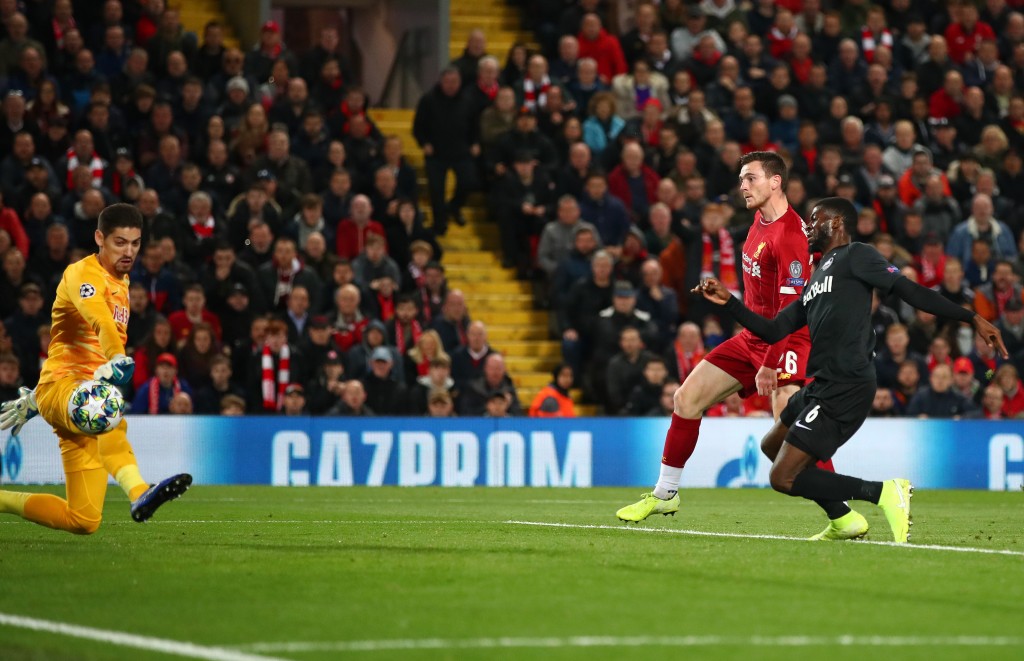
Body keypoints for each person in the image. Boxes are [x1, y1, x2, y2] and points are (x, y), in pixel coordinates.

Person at [695, 197, 1007, 542]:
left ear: (838, 224)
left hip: (848, 383)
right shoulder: (814, 280)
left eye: (816, 220)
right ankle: (843, 519)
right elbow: (772, 330)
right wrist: (730, 302)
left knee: (781, 478)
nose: (809, 227)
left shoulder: (857, 255)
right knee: (771, 446)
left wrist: (971, 316)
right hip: (821, 385)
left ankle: (884, 491)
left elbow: (910, 291)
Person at [616, 152, 847, 538]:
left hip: (787, 340)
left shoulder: (791, 234)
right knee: (685, 400)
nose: (743, 186)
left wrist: (771, 363)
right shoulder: (757, 222)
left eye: (751, 178)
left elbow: (791, 309)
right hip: (751, 338)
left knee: (788, 436)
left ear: (775, 182)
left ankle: (843, 514)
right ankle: (665, 493)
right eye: (741, 179)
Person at [0, 203, 191, 534]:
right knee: (106, 408)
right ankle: (139, 491)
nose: (128, 251)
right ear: (99, 238)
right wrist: (117, 358)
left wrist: (32, 401)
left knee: (84, 520)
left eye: (135, 243)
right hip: (65, 388)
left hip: (77, 397)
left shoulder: (123, 282)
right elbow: (99, 320)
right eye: (120, 242)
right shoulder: (82, 274)